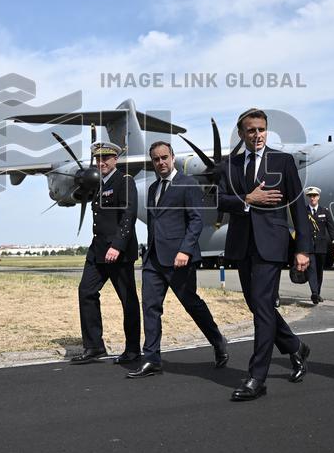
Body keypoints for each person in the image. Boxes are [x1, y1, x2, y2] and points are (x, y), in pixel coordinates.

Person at [218, 108, 312, 401]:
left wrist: (303, 248)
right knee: (257, 304)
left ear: (266, 130)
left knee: (261, 306)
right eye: (251, 130)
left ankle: (256, 377)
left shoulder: (282, 161)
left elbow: (298, 207)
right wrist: (247, 198)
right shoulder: (229, 165)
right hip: (241, 244)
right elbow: (217, 199)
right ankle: (295, 347)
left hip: (271, 245)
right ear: (241, 133)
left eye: (261, 129)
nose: (257, 135)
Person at [127, 141, 229, 379]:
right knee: (150, 307)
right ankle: (152, 358)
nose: (161, 162)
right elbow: (156, 223)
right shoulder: (153, 189)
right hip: (153, 258)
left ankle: (218, 341)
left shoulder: (188, 184)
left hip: (179, 258)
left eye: (164, 157)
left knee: (191, 303)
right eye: (156, 159)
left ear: (172, 157)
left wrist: (185, 250)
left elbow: (196, 220)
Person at [71, 142, 142, 365]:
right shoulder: (98, 184)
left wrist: (118, 246)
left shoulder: (124, 181)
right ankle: (94, 346)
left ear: (115, 160)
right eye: (98, 159)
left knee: (128, 300)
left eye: (106, 158)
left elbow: (128, 215)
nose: (101, 162)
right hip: (97, 250)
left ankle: (132, 350)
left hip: (117, 252)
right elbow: (77, 196)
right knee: (86, 292)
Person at [303, 186, 334, 304]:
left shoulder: (325, 211)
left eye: (314, 196)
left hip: (321, 246)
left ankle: (317, 293)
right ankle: (314, 292)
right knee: (311, 269)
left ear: (318, 197)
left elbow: (332, 228)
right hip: (309, 246)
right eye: (310, 196)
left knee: (319, 270)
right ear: (308, 198)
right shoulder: (304, 212)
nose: (312, 198)